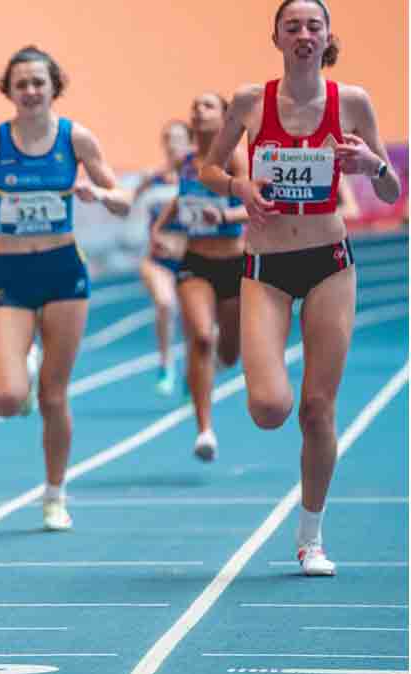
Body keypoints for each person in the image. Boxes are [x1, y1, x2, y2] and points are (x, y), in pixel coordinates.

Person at [199, 0, 401, 576]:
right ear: (277, 38)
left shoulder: (353, 103)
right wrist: (238, 184)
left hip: (330, 263)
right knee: (269, 408)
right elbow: (209, 170)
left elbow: (389, 192)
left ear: (328, 36)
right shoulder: (249, 101)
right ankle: (269, 396)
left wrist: (370, 166)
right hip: (266, 265)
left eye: (314, 26)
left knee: (316, 410)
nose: (304, 34)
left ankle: (310, 536)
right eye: (294, 26)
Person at [0, 45, 130, 532]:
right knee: (7, 400)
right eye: (21, 84)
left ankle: (54, 494)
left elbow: (124, 201)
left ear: (54, 87)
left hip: (63, 271)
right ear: (8, 91)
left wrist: (101, 194)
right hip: (11, 274)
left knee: (54, 396)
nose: (30, 91)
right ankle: (22, 367)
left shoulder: (76, 139)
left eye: (38, 82)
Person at [150, 93, 249, 462]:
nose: (197, 110)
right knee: (202, 338)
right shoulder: (187, 161)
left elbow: (256, 202)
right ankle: (204, 430)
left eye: (207, 106)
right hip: (195, 262)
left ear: (224, 117)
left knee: (229, 352)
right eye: (194, 105)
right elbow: (181, 199)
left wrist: (225, 217)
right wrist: (159, 229)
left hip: (234, 263)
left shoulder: (235, 158)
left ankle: (213, 366)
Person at [135, 120, 194, 395]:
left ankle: (194, 369)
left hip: (193, 259)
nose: (173, 144)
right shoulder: (152, 180)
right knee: (165, 303)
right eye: (168, 138)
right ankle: (165, 362)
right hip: (157, 260)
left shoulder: (198, 179)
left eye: (179, 138)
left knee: (198, 323)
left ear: (190, 143)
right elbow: (127, 209)